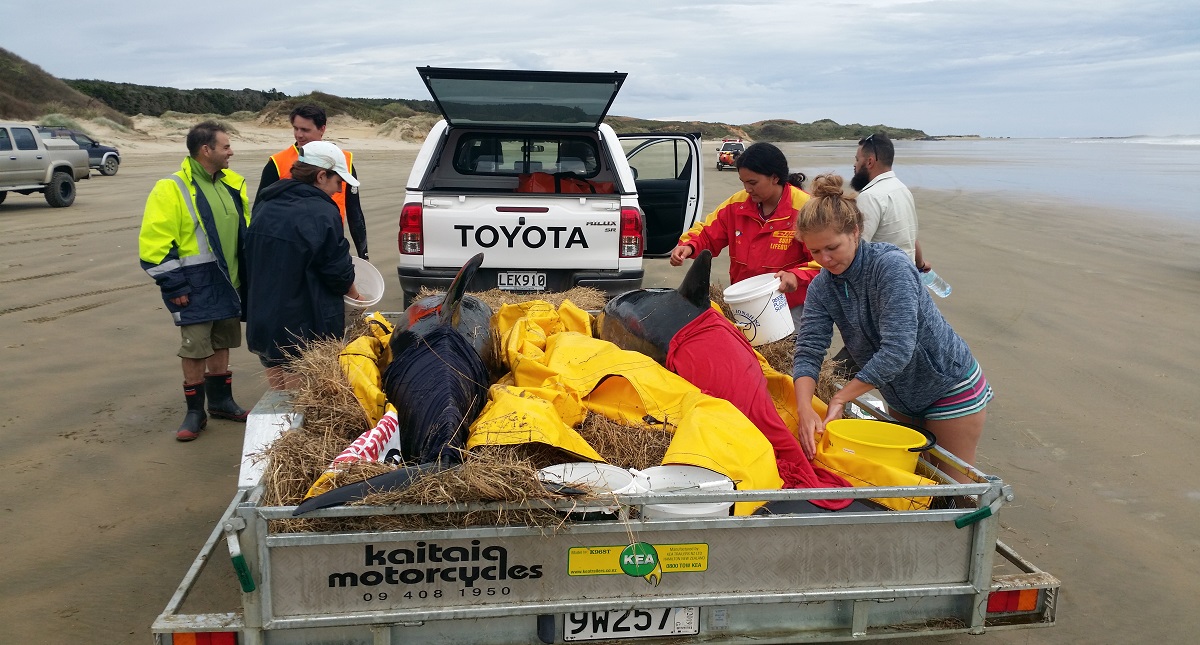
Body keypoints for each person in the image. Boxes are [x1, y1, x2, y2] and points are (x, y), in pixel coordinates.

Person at [791, 174, 992, 482]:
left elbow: (898, 349)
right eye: (815, 252)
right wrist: (804, 407)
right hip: (900, 396)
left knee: (954, 489)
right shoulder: (822, 287)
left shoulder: (890, 266)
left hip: (948, 386)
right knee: (916, 481)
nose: (825, 259)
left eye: (832, 247)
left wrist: (841, 397)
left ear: (855, 232)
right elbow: (809, 349)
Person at [138, 120, 250, 441]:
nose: (231, 152)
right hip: (194, 283)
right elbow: (154, 244)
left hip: (229, 281)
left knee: (222, 341)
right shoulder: (171, 187)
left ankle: (221, 402)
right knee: (195, 346)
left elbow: (244, 231)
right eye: (226, 146)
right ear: (206, 150)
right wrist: (173, 284)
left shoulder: (232, 184)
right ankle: (194, 412)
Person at [244, 140, 362, 390]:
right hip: (304, 323)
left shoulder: (267, 203)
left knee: (278, 394)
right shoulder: (322, 212)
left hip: (264, 316)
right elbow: (337, 271)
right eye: (338, 181)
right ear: (321, 176)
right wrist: (357, 298)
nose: (339, 190)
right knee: (303, 397)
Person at [669, 142, 818, 328]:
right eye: (744, 182)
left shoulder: (807, 209)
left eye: (752, 183)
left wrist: (796, 276)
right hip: (745, 302)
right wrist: (689, 246)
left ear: (775, 177)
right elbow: (707, 231)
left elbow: (825, 262)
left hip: (790, 306)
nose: (747, 189)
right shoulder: (737, 204)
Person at [258, 104, 369, 260]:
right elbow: (259, 212)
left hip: (330, 243)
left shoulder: (343, 162)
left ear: (322, 129)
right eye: (296, 128)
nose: (299, 135)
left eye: (305, 130)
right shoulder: (277, 163)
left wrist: (364, 255)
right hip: (289, 248)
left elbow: (354, 213)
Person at [850, 132, 929, 271]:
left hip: (884, 278)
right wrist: (920, 264)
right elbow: (910, 237)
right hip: (908, 272)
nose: (854, 165)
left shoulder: (870, 197)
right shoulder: (902, 189)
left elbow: (856, 250)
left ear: (869, 162)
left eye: (857, 160)